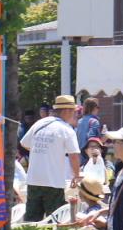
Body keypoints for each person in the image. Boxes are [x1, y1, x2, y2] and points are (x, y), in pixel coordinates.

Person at [20, 94, 82, 222]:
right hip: (53, 181)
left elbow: (24, 144)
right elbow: (74, 155)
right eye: (74, 112)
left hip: (33, 179)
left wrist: (42, 153)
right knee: (55, 220)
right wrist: (77, 175)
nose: (75, 115)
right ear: (66, 111)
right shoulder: (66, 129)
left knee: (31, 221)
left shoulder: (40, 123)